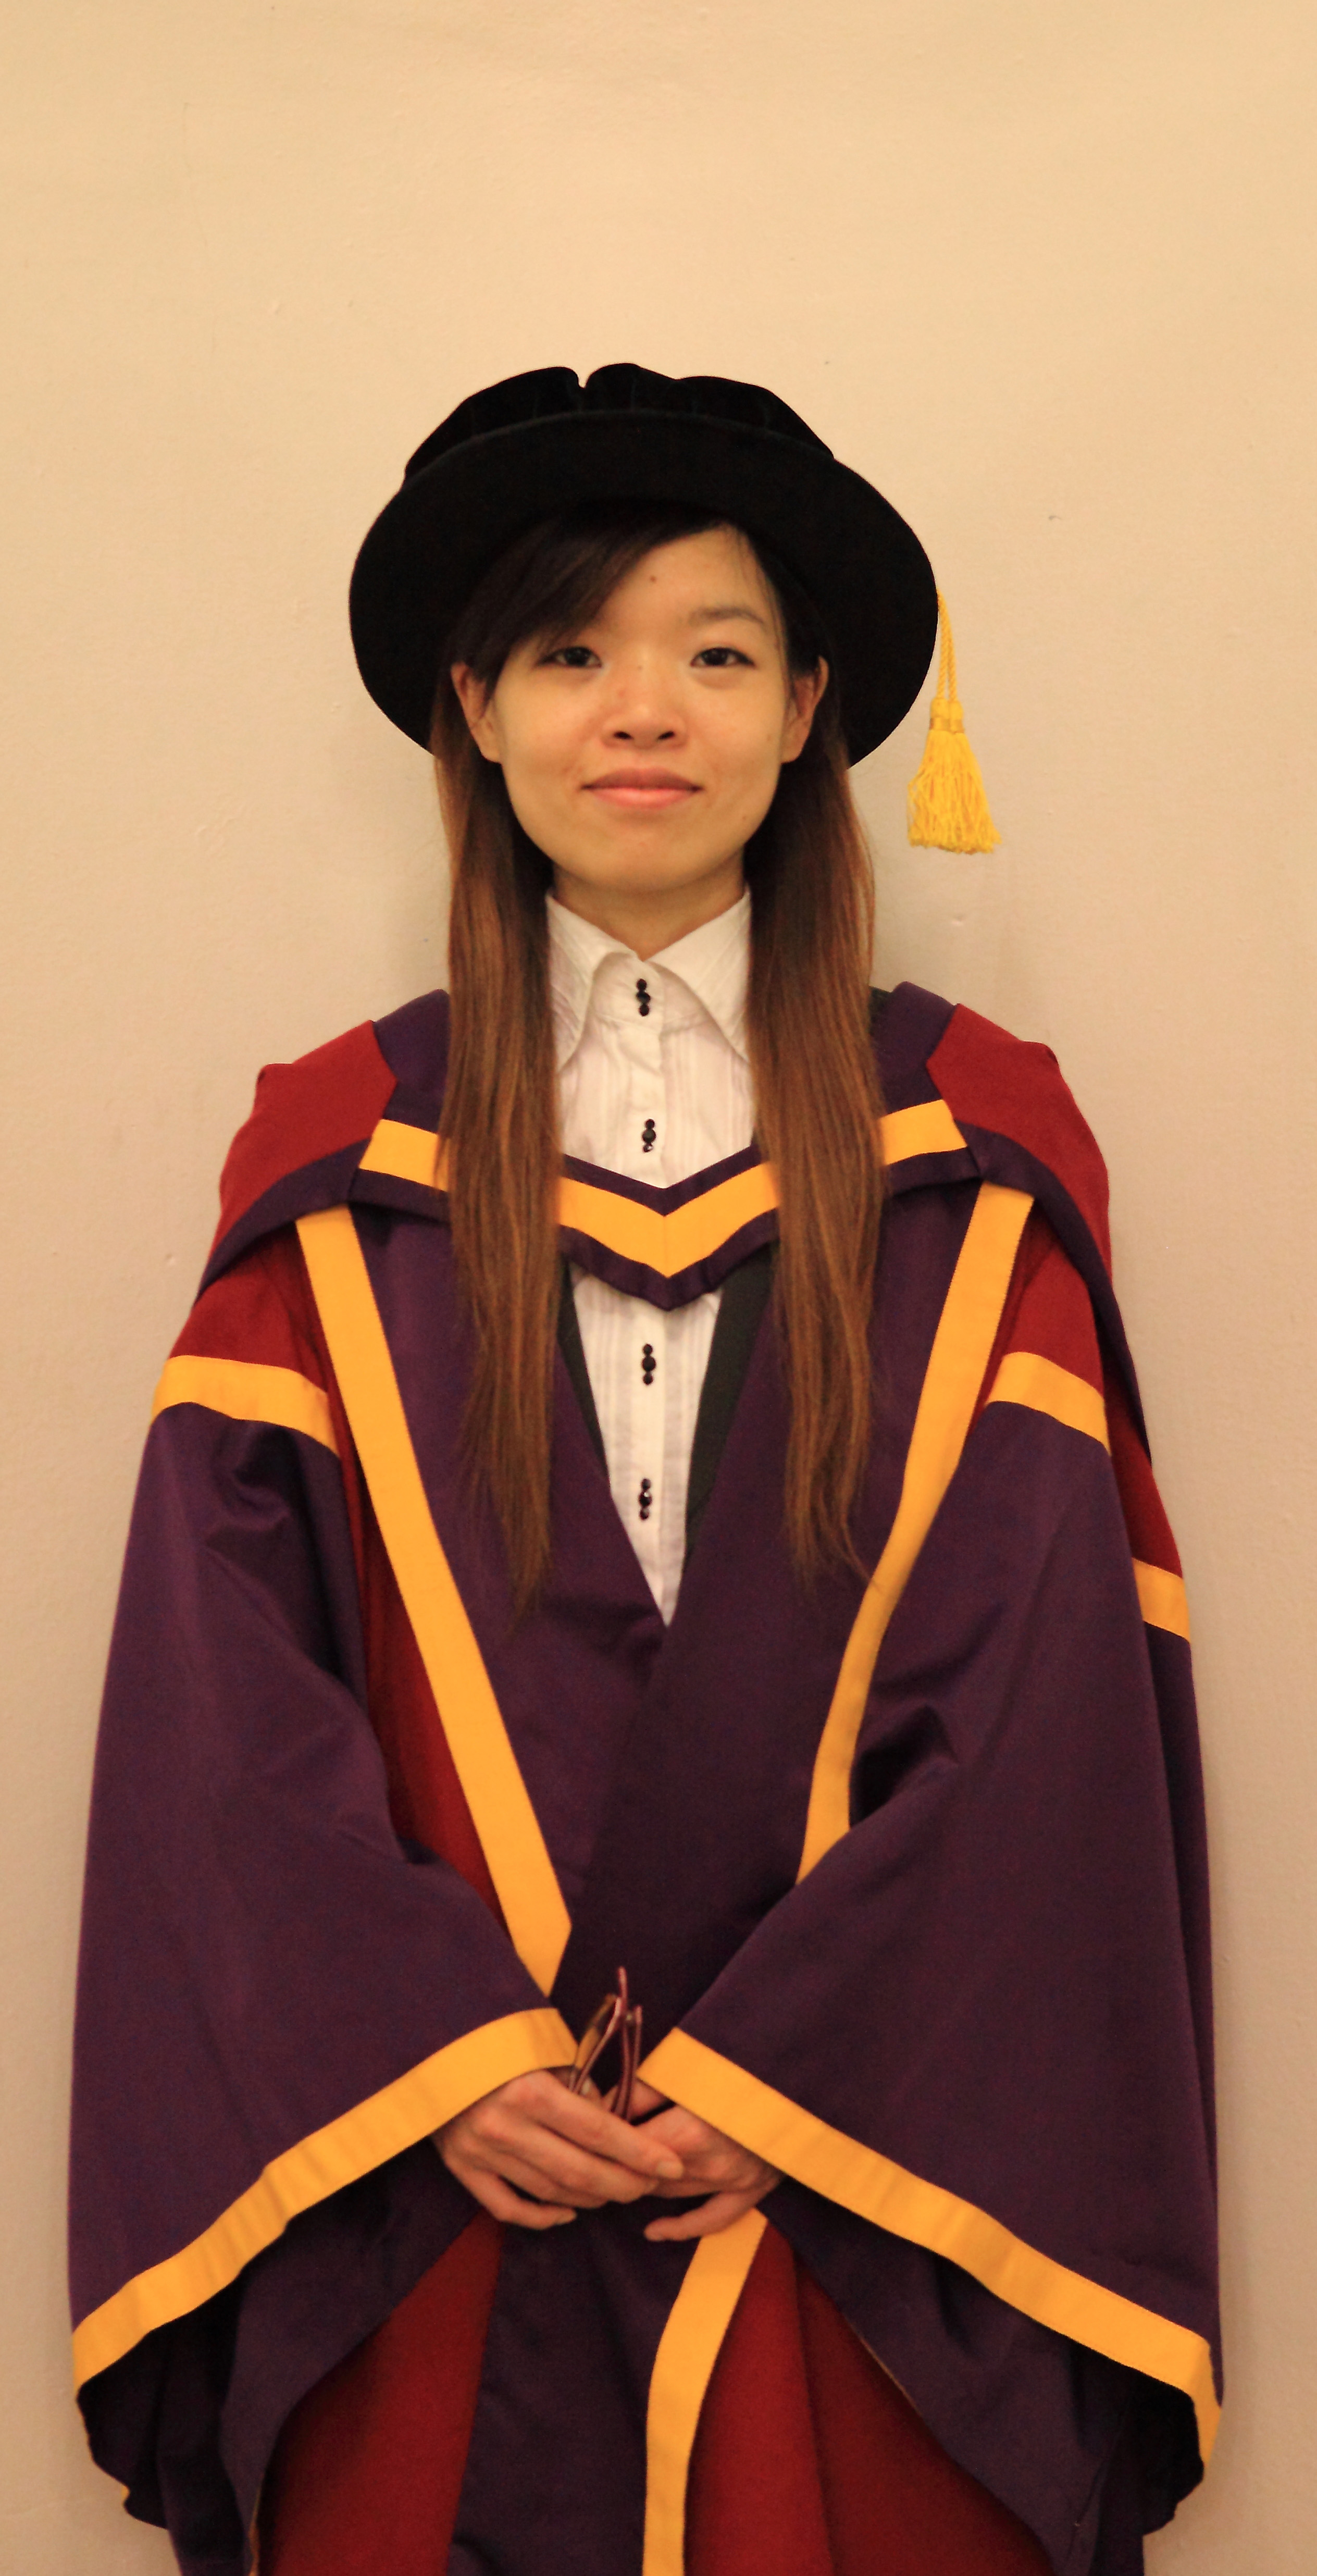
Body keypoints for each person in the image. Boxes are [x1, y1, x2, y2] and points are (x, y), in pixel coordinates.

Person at [69, 365, 1219, 2576]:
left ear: (806, 709)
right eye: (571, 651)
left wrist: (796, 2078)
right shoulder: (340, 1152)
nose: (643, 713)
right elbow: (227, 1706)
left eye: (715, 654)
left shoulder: (975, 1147)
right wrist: (432, 2057)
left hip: (854, 2208)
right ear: (476, 709)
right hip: (446, 2194)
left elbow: (1046, 1692)